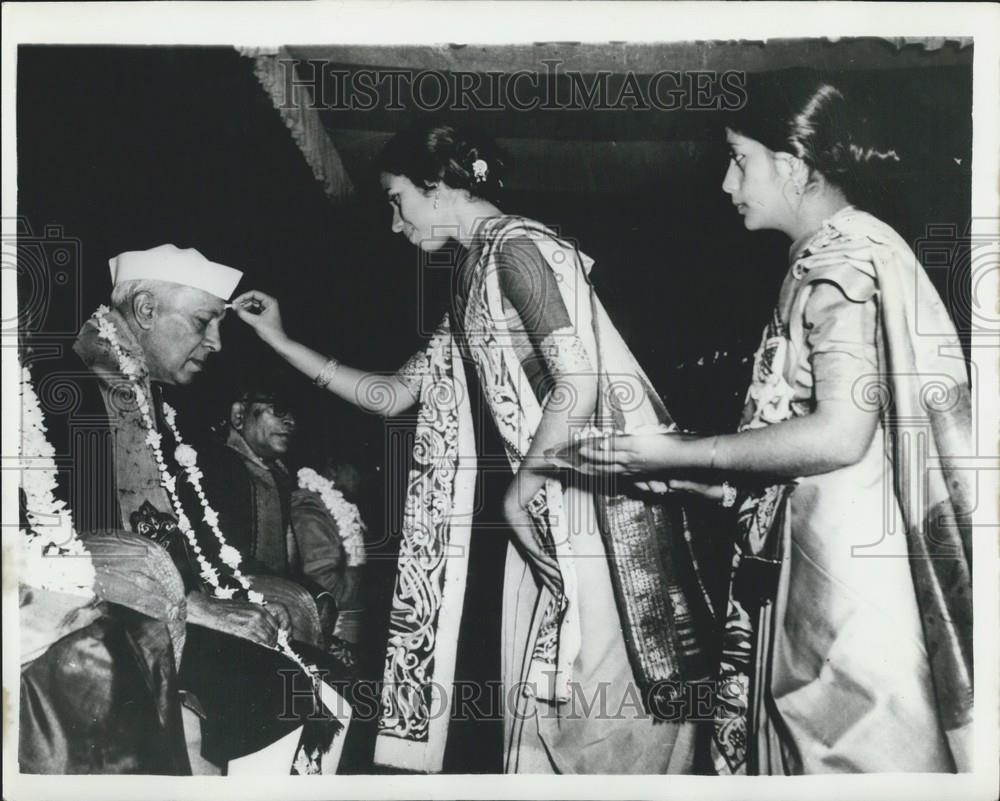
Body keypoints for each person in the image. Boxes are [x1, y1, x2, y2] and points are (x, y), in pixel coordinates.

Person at [234, 121, 718, 774]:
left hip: (592, 507)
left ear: (439, 187)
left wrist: (520, 496)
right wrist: (279, 340)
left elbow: (578, 382)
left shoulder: (517, 247)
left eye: (397, 198)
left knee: (604, 721)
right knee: (545, 714)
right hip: (548, 503)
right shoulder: (471, 277)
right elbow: (392, 394)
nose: (395, 221)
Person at [568, 78, 973, 774]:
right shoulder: (835, 253)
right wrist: (688, 472)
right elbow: (804, 443)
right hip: (822, 561)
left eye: (738, 159)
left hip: (846, 584)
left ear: (789, 165)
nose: (727, 182)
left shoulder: (840, 262)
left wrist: (690, 449)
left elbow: (841, 434)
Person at [65, 244, 347, 773]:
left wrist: (230, 598)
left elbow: (189, 538)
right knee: (277, 686)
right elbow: (68, 540)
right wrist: (197, 607)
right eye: (203, 322)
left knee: (326, 675)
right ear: (146, 310)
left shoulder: (151, 397)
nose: (215, 343)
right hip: (103, 613)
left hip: (161, 602)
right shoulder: (70, 386)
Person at [198, 374, 342, 639]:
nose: (292, 422)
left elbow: (287, 563)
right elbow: (218, 555)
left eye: (294, 414)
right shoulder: (217, 465)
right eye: (278, 410)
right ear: (239, 414)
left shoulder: (276, 472)